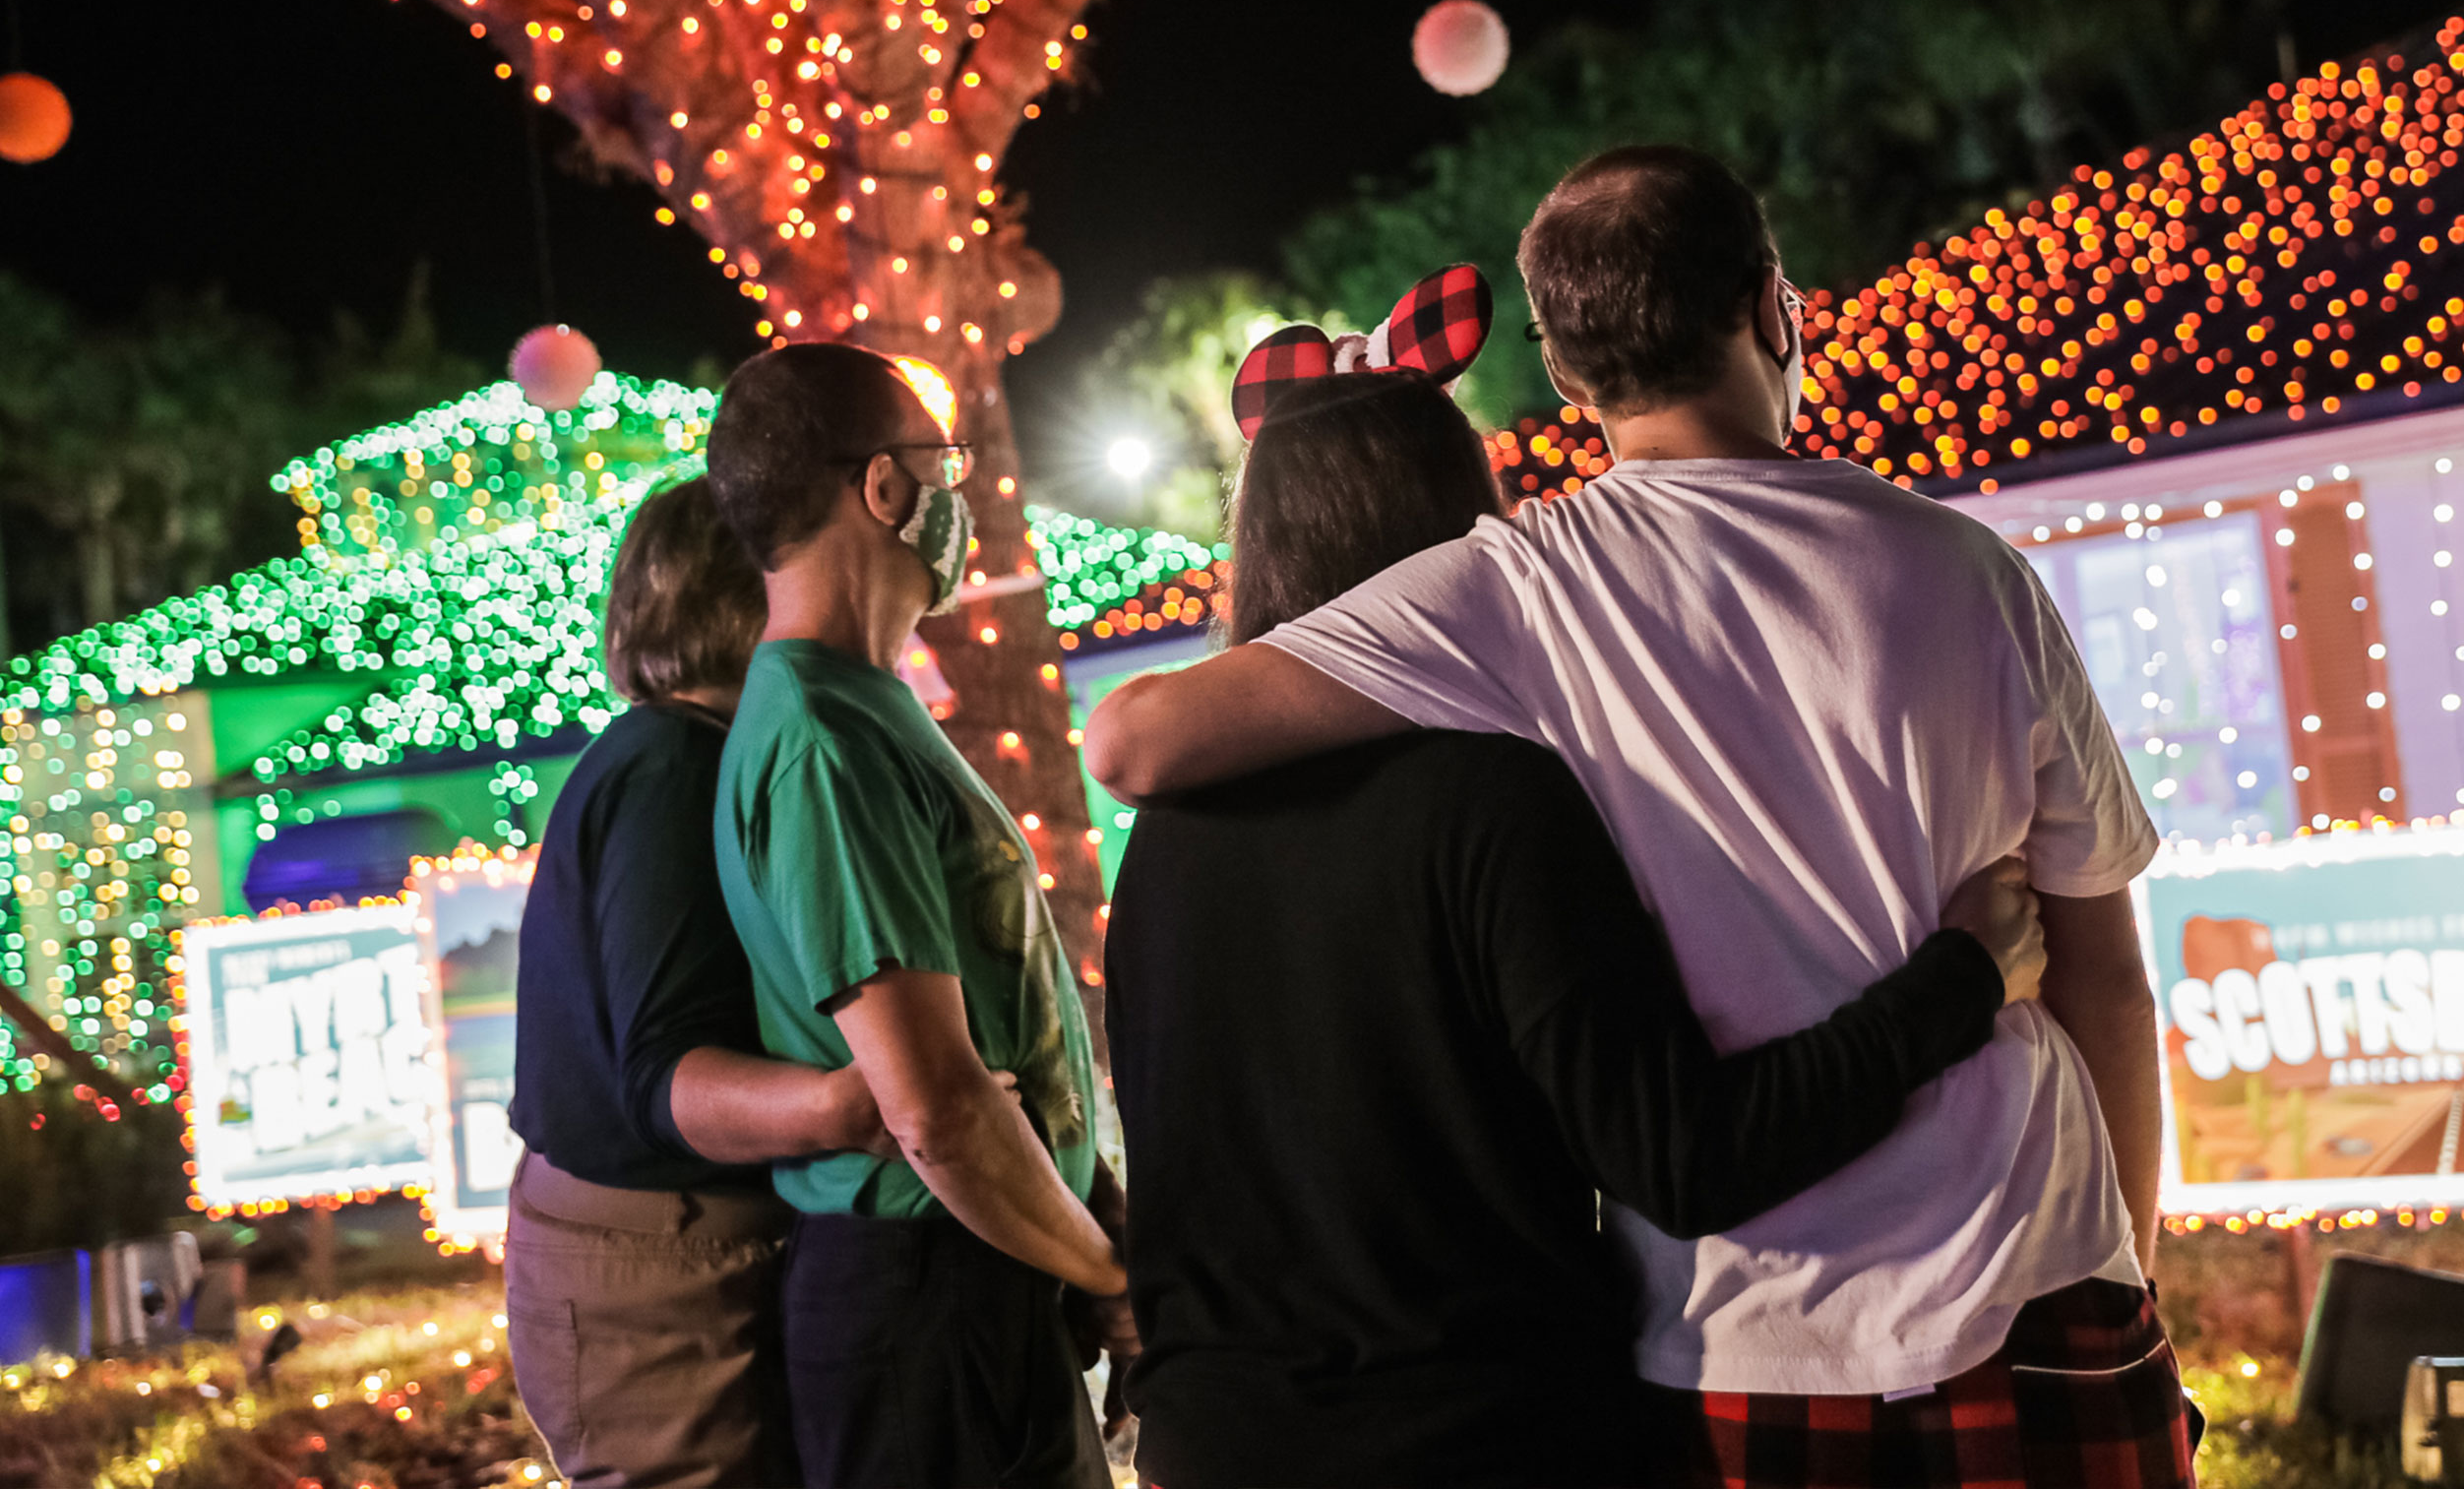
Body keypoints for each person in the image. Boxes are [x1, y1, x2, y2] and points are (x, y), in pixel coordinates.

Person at [1088, 146, 2194, 1489]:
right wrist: (2125, 1279)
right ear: (1775, 307)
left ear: (1564, 374)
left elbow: (1134, 735)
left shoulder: (1514, 590)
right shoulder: (1969, 570)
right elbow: (2112, 981)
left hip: (1746, 1331)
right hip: (2035, 1276)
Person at [706, 341, 1129, 1489]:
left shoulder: (864, 706)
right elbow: (935, 1105)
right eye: (943, 464)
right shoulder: (820, 739)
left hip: (977, 1270)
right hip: (923, 1297)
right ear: (884, 488)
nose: (961, 497)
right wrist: (1105, 1273)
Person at [506, 474, 891, 1489]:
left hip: (669, 1240)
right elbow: (668, 1071)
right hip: (655, 1261)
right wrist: (860, 1106)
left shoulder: (697, 753)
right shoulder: (671, 768)